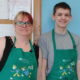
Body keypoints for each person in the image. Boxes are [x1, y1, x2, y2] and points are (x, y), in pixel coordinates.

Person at [38, 2, 80, 80]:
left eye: (66, 15)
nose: (63, 18)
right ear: (53, 16)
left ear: (70, 18)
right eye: (59, 14)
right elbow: (42, 69)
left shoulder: (77, 39)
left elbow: (79, 67)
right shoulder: (44, 38)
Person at [0, 11, 42, 80]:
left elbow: (39, 77)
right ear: (15, 26)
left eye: (27, 23)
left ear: (32, 26)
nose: (24, 26)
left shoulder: (37, 50)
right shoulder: (3, 43)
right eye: (20, 23)